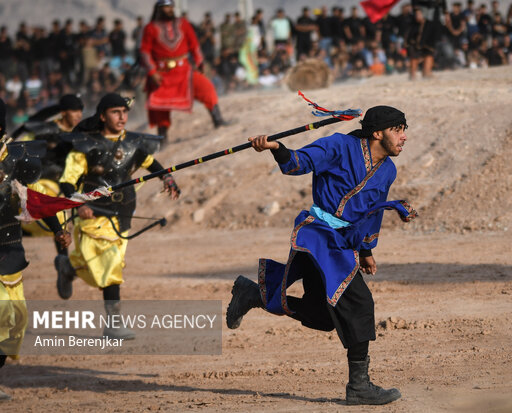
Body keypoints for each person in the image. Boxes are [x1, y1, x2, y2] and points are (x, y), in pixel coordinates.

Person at [226, 106, 417, 405]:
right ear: (377, 133)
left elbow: (369, 215)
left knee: (322, 316)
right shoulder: (340, 145)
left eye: (405, 130)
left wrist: (365, 251)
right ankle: (359, 387)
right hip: (318, 236)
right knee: (359, 302)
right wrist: (276, 148)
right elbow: (298, 163)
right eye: (398, 130)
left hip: (342, 244)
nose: (404, 137)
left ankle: (252, 295)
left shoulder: (388, 170)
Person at [56, 93, 180, 338]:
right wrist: (79, 203)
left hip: (123, 214)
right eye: (115, 112)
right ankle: (113, 324)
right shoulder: (85, 146)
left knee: (107, 265)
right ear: (102, 116)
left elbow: (151, 163)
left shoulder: (133, 143)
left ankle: (68, 266)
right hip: (93, 214)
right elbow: (67, 182)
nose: (122, 117)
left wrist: (167, 177)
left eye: (124, 112)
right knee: (112, 267)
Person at [1, 98, 71, 401]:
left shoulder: (17, 159)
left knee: (14, 323)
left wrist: (57, 229)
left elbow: (35, 199)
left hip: (9, 250)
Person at [15, 95, 84, 283]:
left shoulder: (82, 132)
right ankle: (63, 258)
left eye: (80, 111)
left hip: (72, 183)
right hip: (45, 181)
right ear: (63, 113)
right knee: (54, 210)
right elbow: (20, 149)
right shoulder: (44, 130)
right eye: (74, 111)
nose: (78, 115)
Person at [140, 0, 229, 142]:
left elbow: (194, 44)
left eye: (170, 7)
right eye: (165, 7)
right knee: (160, 107)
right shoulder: (150, 28)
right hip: (162, 73)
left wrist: (200, 62)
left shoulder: (183, 24)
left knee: (206, 88)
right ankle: (163, 139)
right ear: (159, 9)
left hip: (184, 70)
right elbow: (144, 52)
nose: (168, 10)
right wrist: (152, 72)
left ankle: (218, 120)